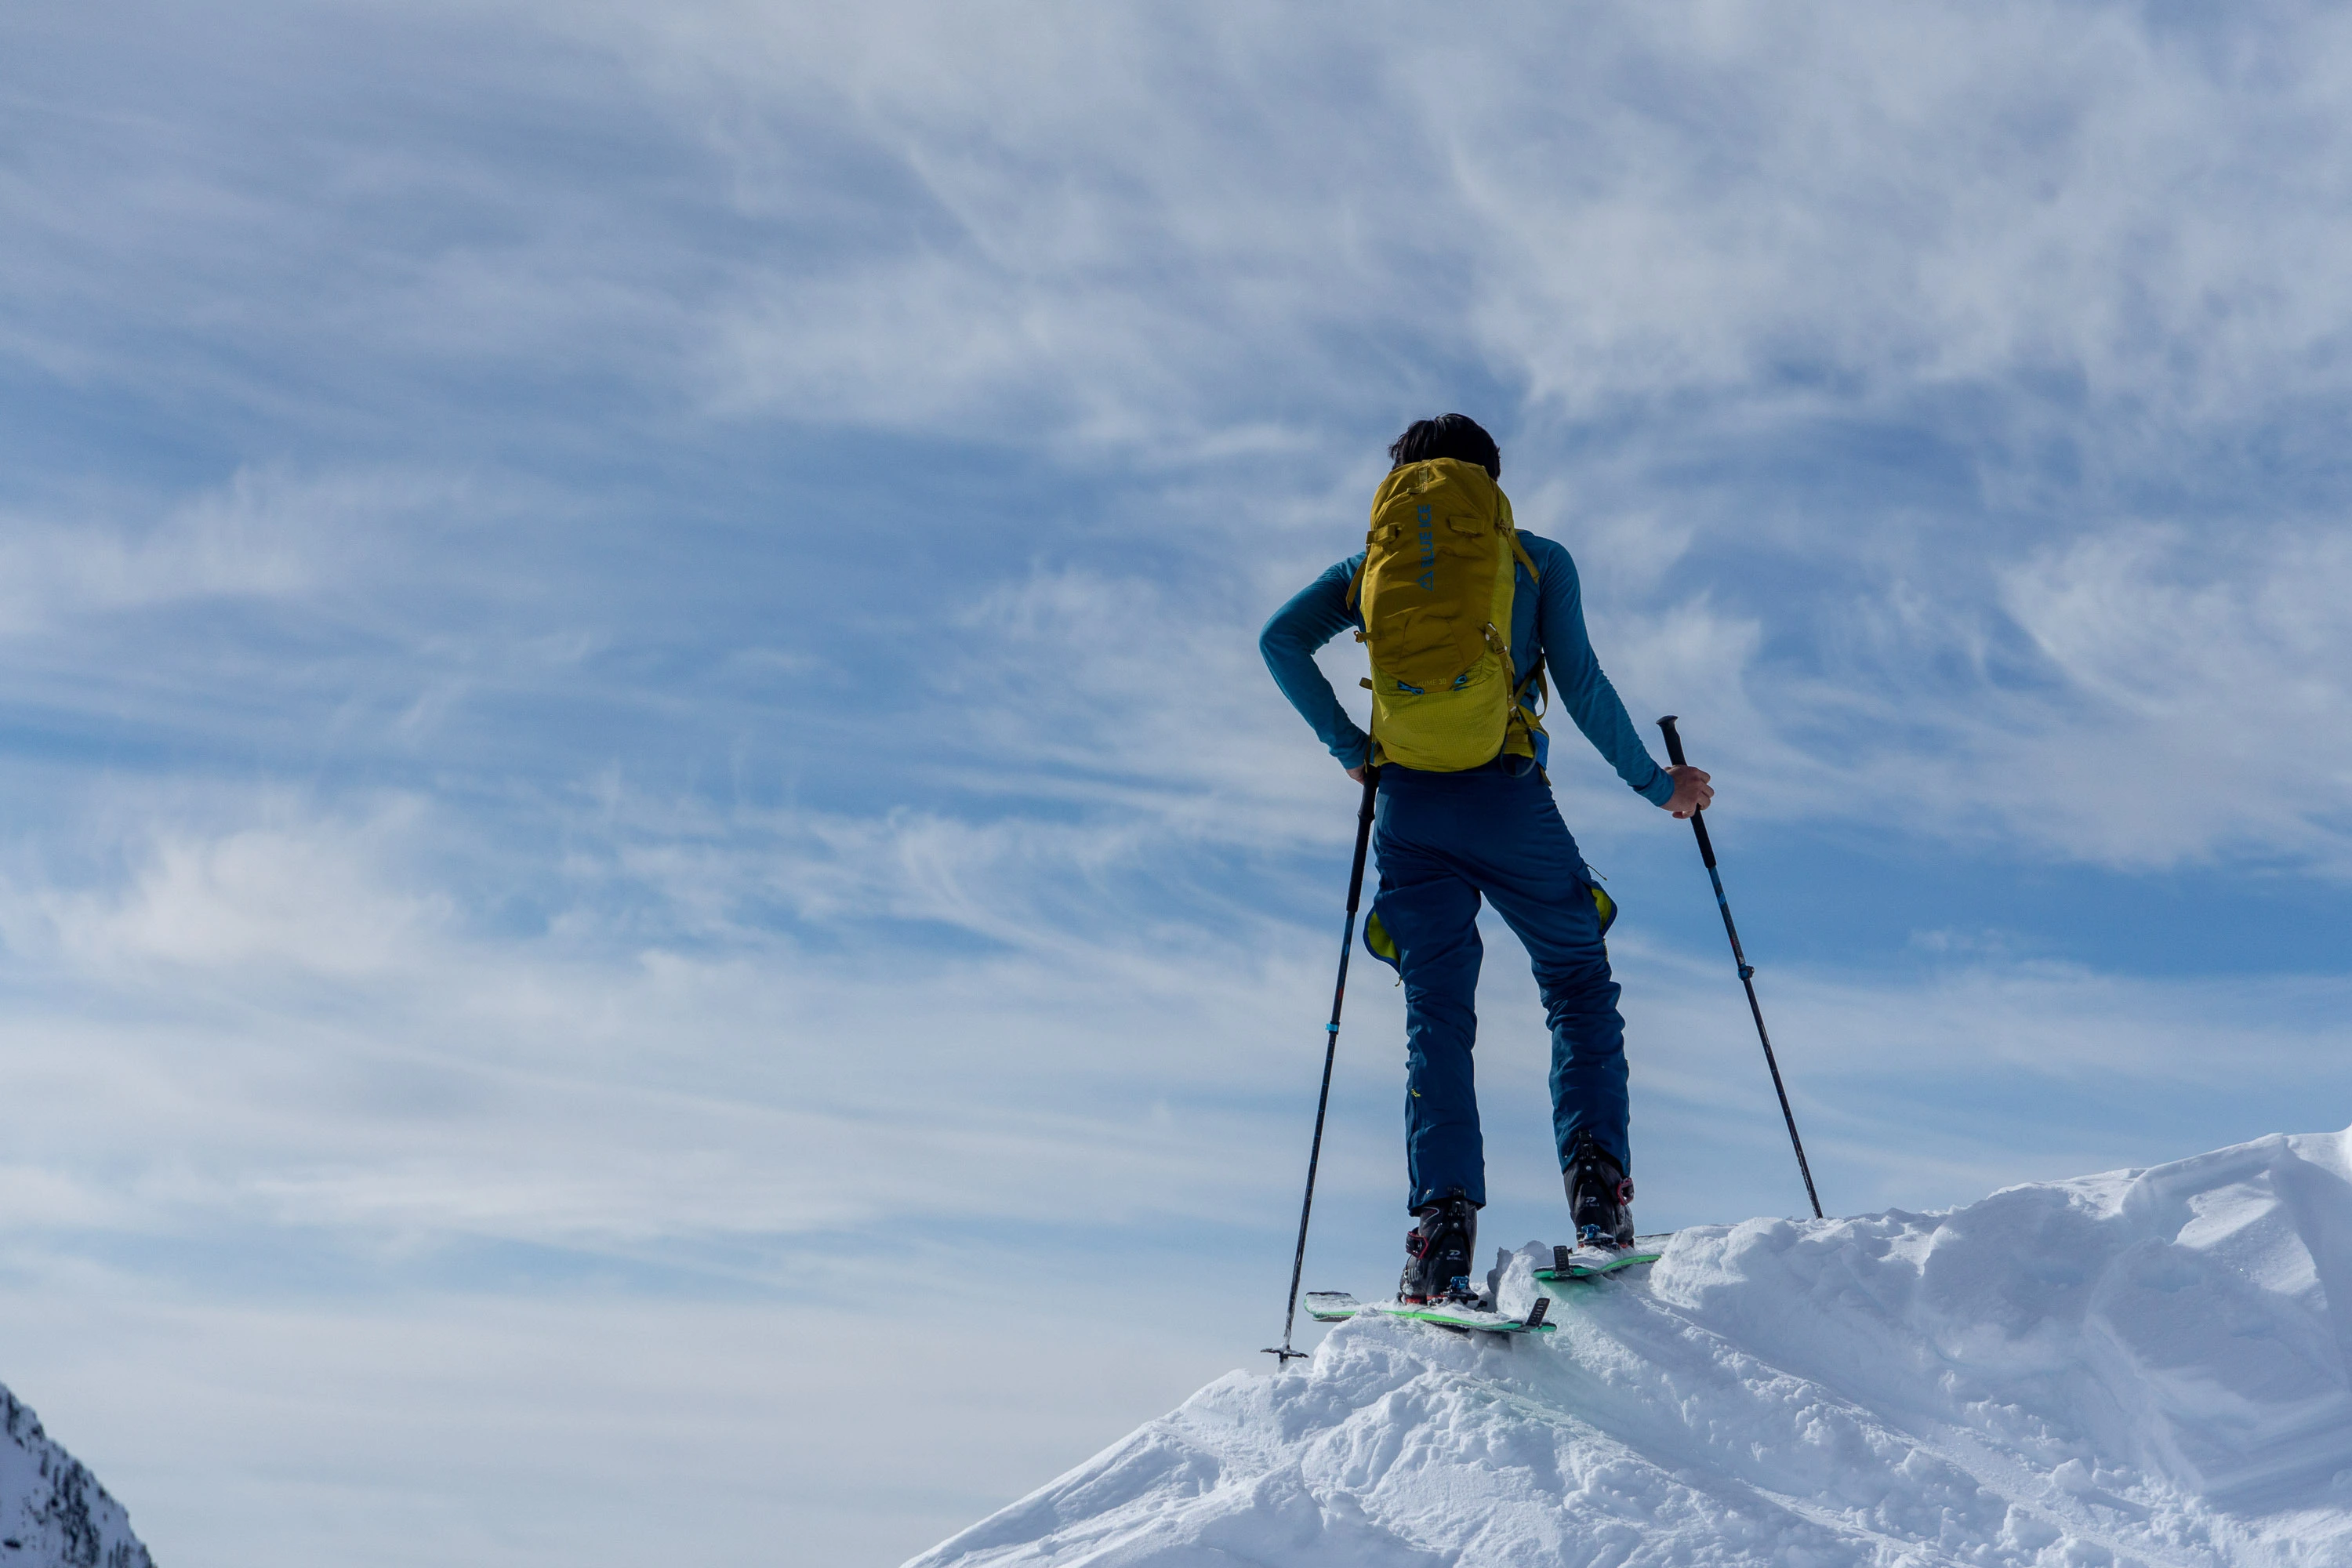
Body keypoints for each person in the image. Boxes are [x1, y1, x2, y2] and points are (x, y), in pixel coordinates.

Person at [1259, 413, 1712, 1304]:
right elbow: (1581, 685)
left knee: (1437, 1013)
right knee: (1577, 978)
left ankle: (1439, 1240)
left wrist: (1349, 744)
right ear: (1491, 482)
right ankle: (1598, 1197)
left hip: (1408, 809)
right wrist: (1661, 788)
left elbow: (1279, 641)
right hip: (1507, 798)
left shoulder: (1370, 569)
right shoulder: (1537, 561)